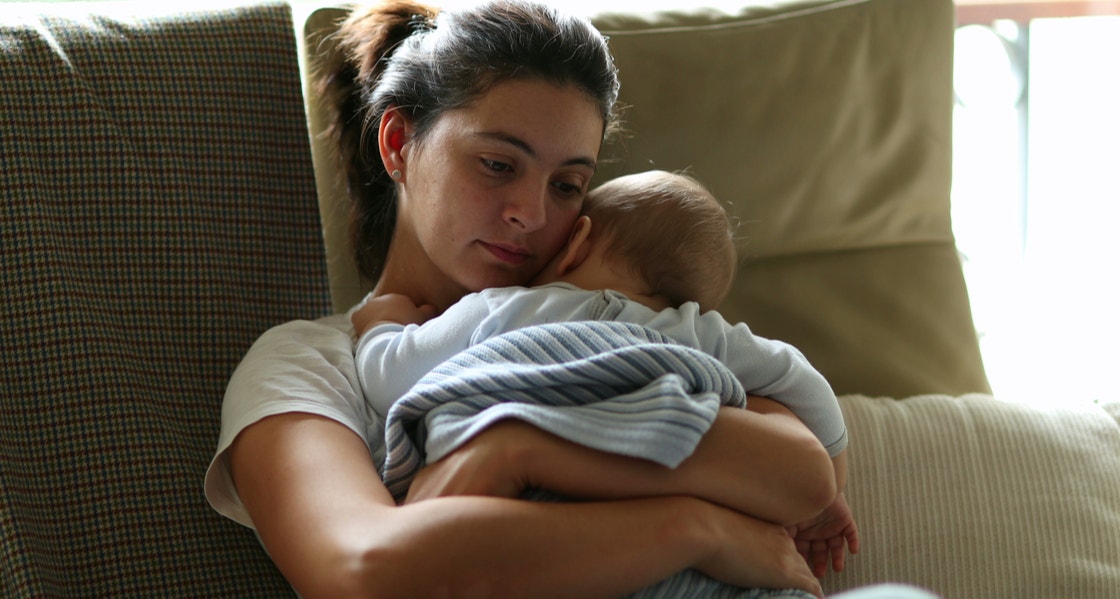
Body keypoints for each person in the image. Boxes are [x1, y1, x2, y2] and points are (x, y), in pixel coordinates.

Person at [203, 1, 933, 597]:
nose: (530, 212)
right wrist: (697, 527)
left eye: (566, 184)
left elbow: (806, 474)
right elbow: (362, 570)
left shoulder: (641, 320)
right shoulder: (310, 363)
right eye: (497, 164)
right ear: (398, 142)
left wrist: (514, 450)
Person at [352, 169, 860, 593]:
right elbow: (797, 376)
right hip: (679, 541)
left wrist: (381, 325)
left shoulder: (505, 306)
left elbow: (391, 377)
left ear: (575, 243)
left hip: (528, 536)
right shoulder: (698, 331)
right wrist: (831, 483)